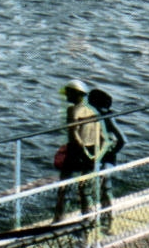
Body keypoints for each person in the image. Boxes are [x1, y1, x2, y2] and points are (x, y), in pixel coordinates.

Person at [53, 80, 104, 223]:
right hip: (92, 150)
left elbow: (74, 133)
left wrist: (81, 149)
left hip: (76, 151)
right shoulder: (93, 111)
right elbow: (100, 135)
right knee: (85, 189)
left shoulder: (73, 110)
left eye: (69, 93)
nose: (66, 96)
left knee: (64, 188)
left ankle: (58, 219)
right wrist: (95, 154)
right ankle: (87, 218)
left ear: (76, 94)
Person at [87, 88, 127, 230]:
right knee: (94, 190)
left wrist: (111, 153)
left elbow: (123, 140)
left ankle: (109, 221)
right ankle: (97, 219)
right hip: (97, 158)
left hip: (106, 160)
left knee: (105, 189)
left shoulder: (108, 119)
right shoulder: (92, 118)